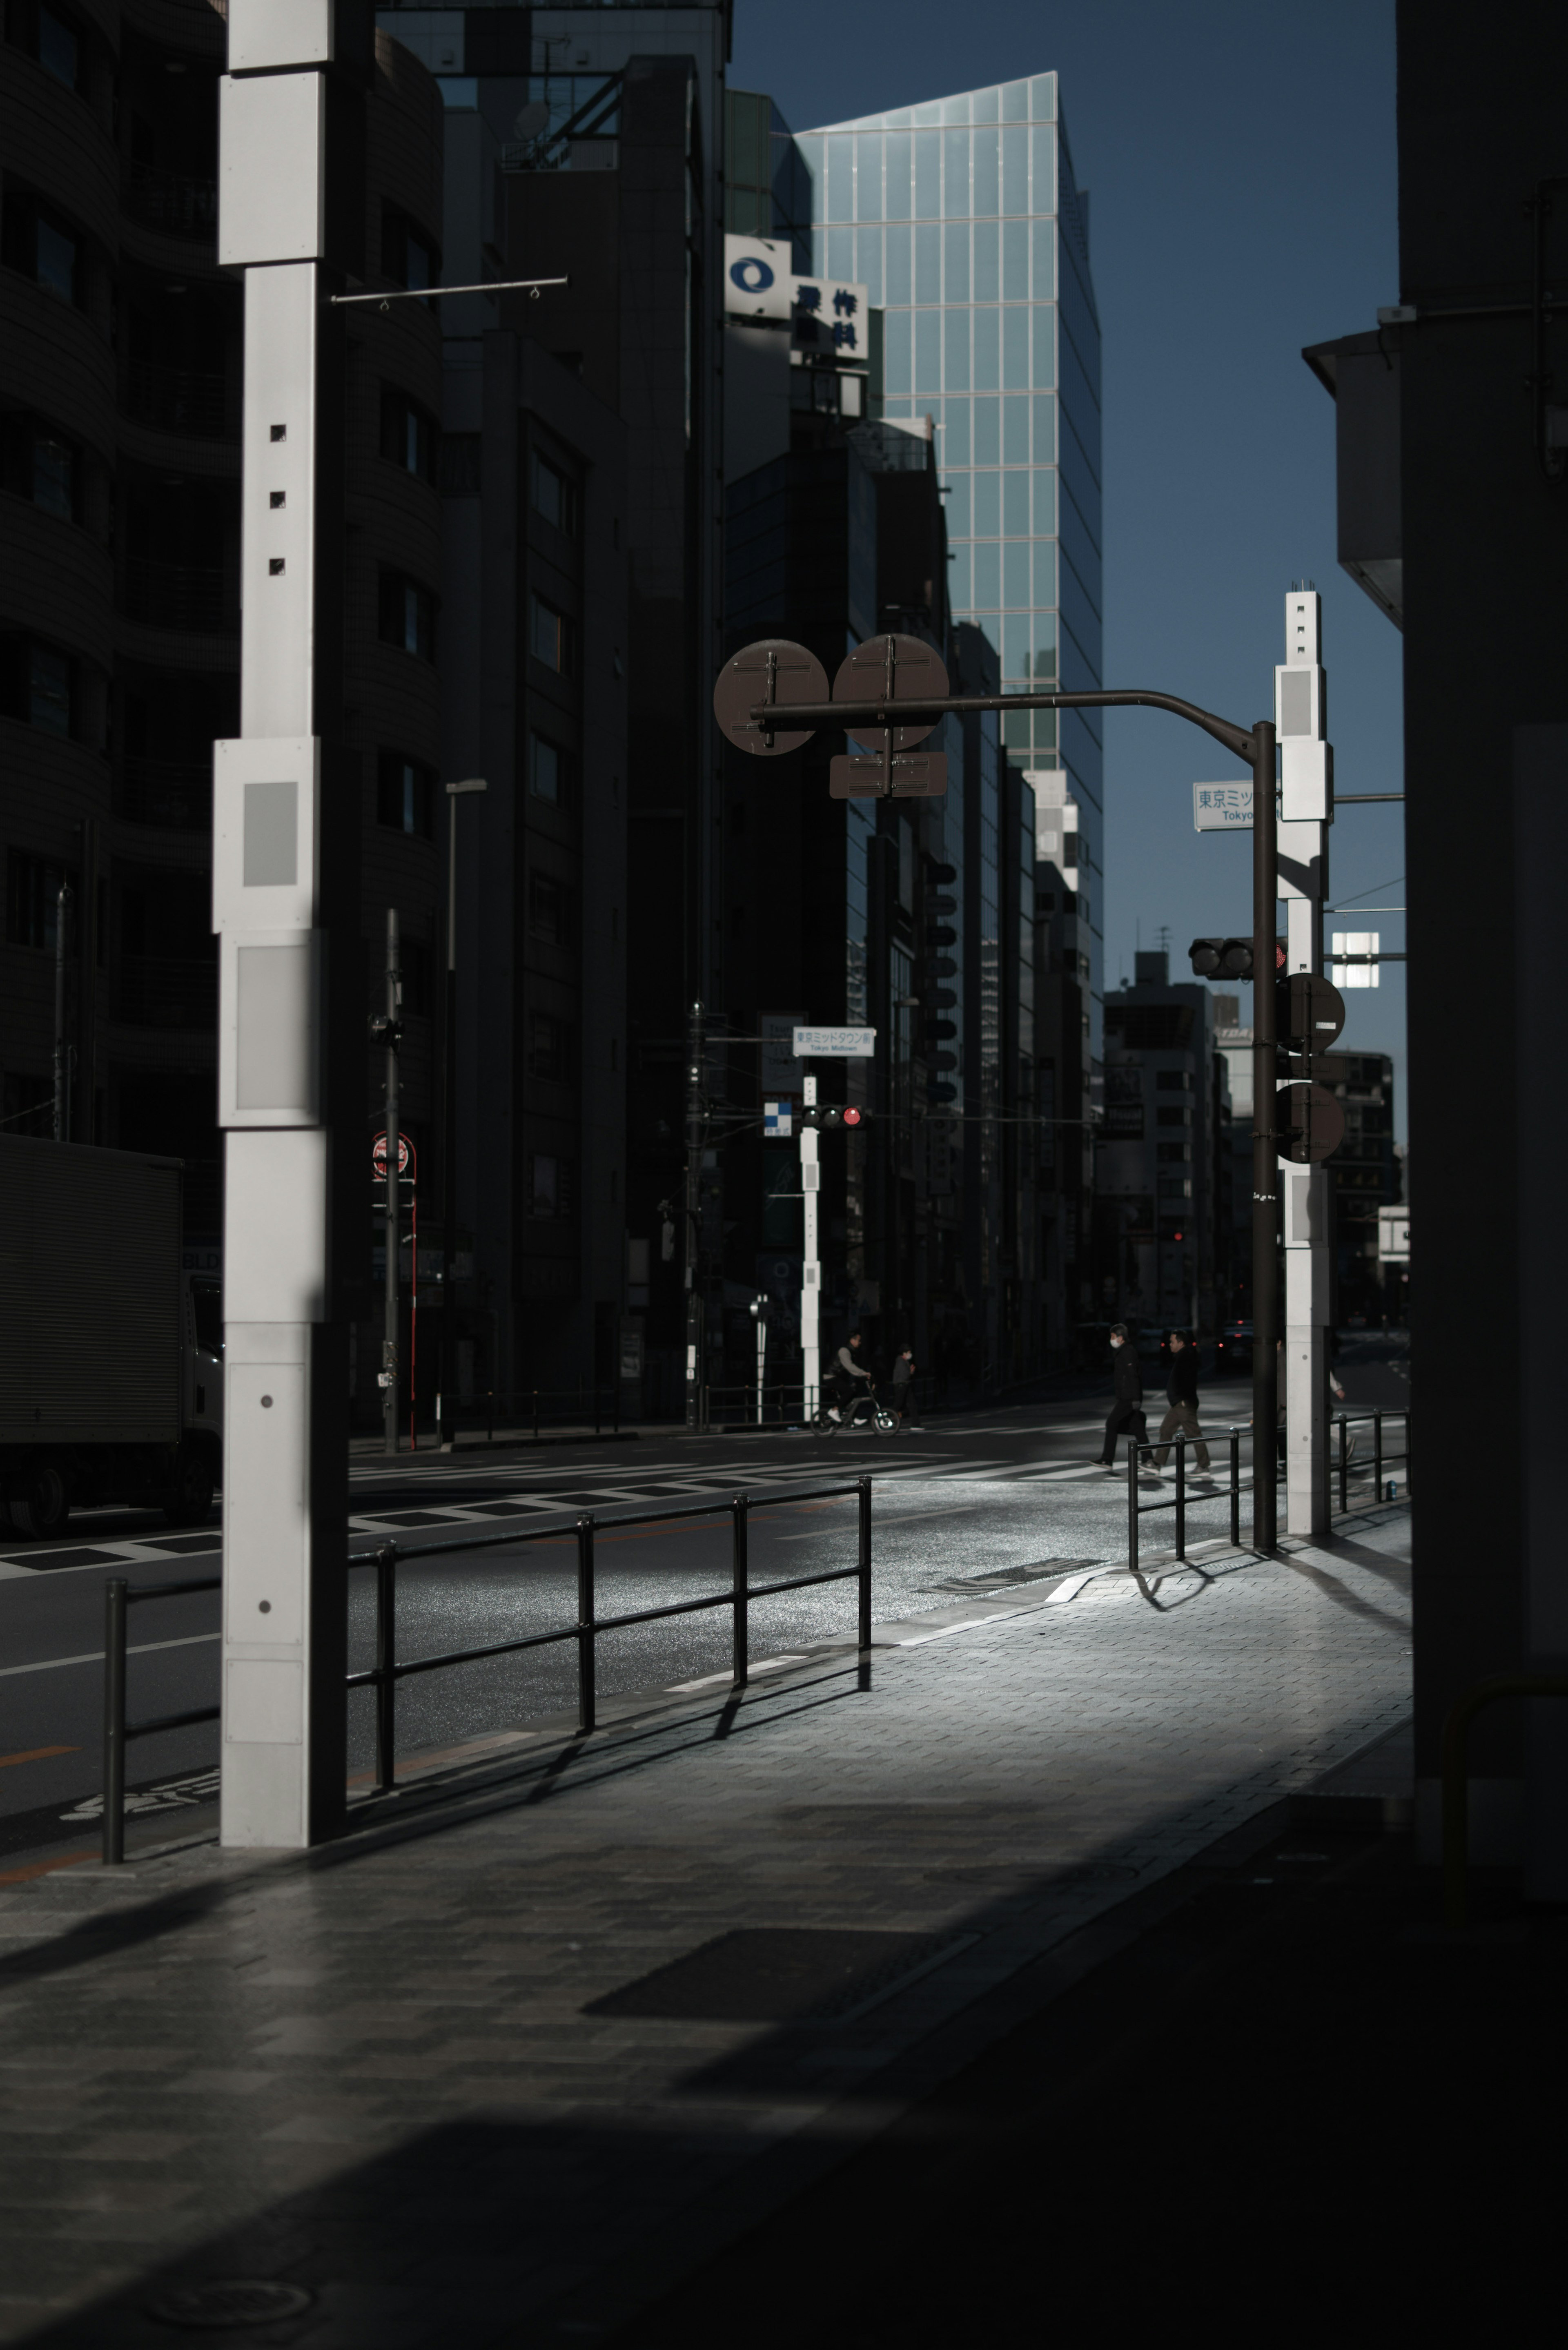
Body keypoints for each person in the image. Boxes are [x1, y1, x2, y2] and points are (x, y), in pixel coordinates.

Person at [1153, 1331, 1210, 1475]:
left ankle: (1203, 1465)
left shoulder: (1186, 1357)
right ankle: (1157, 1463)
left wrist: (1182, 1398)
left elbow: (1187, 1382)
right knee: (1166, 1430)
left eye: (1172, 1342)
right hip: (1179, 1403)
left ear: (1181, 1343)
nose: (1170, 1344)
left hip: (1184, 1403)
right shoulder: (1183, 1356)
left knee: (1193, 1433)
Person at [1098, 1324, 1147, 1474]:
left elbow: (1133, 1376)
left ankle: (1107, 1459)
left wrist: (1136, 1398)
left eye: (1113, 1337)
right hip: (1127, 1396)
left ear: (1120, 1338)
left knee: (1111, 1423)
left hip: (1128, 1398)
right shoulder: (1123, 1352)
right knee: (1138, 1428)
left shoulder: (1127, 1352)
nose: (1111, 1340)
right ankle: (1149, 1460)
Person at [829, 1331, 873, 1423]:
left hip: (839, 1377)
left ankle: (854, 1418)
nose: (860, 1343)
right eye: (859, 1341)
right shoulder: (844, 1351)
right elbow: (850, 1366)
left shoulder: (852, 1352)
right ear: (853, 1341)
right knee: (849, 1391)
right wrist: (863, 1373)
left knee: (854, 1395)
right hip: (831, 1376)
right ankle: (834, 1410)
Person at [891, 1346, 919, 1427]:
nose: (910, 1355)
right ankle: (887, 1417)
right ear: (904, 1353)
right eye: (909, 1353)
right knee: (898, 1405)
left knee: (912, 1404)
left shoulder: (904, 1361)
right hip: (902, 1385)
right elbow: (905, 1376)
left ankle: (916, 1424)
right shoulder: (901, 1361)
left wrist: (910, 1372)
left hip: (905, 1385)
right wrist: (911, 1372)